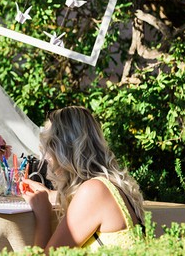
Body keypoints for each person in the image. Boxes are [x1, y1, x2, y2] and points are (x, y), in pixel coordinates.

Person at [21, 106, 144, 252]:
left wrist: (43, 217)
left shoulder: (93, 191)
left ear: (61, 151)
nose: (46, 158)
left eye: (47, 148)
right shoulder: (107, 185)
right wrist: (47, 194)